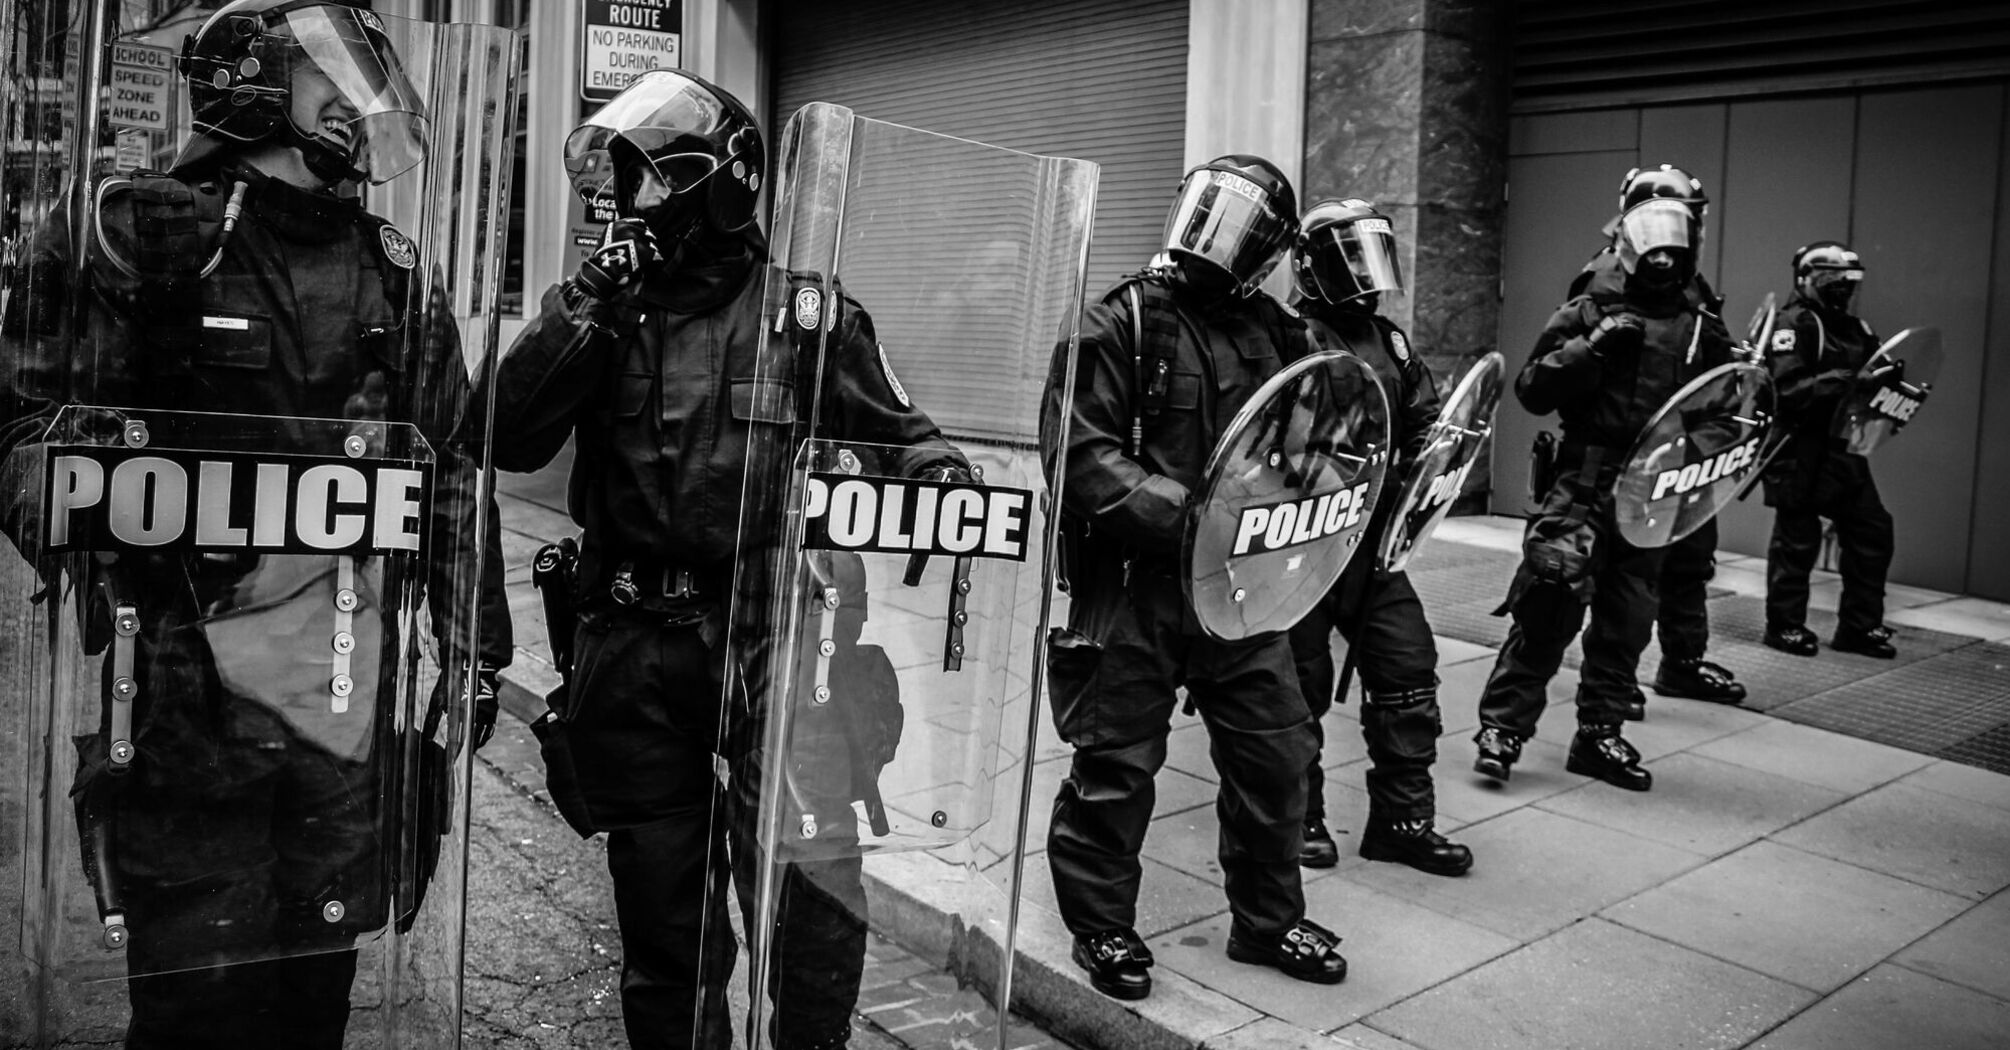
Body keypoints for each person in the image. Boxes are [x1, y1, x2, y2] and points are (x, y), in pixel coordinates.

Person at [0, 2, 511, 1046]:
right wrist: (85, 504)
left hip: (343, 700)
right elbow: (18, 420)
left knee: (312, 998)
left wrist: (476, 649)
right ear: (259, 84)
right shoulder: (130, 230)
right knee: (195, 1004)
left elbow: (451, 471)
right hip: (183, 698)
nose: (366, 100)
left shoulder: (394, 268)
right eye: (340, 74)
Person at [485, 70, 968, 1050]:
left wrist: (940, 475)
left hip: (778, 643)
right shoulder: (603, 310)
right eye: (621, 184)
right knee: (665, 927)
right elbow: (506, 435)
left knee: (808, 904)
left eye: (651, 181)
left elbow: (905, 433)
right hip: (632, 651)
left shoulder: (808, 314)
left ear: (723, 185)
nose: (630, 206)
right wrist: (584, 307)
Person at [1042, 154, 1349, 1003]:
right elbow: (1079, 454)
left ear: (1272, 249)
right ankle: (1102, 927)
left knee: (1280, 757)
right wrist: (1190, 515)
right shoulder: (1122, 321)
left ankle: (1268, 919)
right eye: (1212, 214)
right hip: (1139, 590)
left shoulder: (1287, 336)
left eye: (1244, 227)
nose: (1218, 240)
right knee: (1116, 771)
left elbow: (1318, 445)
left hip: (1245, 596)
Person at [1471, 164, 1738, 792]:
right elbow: (1533, 389)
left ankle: (1600, 734)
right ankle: (1503, 728)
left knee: (1627, 618)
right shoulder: (1592, 301)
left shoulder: (1702, 322)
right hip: (1585, 482)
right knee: (1549, 601)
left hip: (1653, 488)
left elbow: (1726, 407)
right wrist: (1589, 348)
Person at [1281, 198, 1471, 877]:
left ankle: (1402, 822)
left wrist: (1432, 462)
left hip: (1373, 543)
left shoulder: (1388, 341)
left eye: (1372, 256)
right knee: (1295, 688)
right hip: (1298, 543)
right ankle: (1297, 819)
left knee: (1407, 670)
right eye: (1350, 258)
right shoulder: (1283, 335)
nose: (1365, 274)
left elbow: (1422, 419)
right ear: (1312, 268)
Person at [1555, 250, 1748, 717]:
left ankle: (1680, 662)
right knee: (1599, 583)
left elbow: (1713, 372)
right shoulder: (1605, 275)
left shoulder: (1688, 281)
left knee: (1688, 560)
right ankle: (1608, 682)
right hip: (1610, 464)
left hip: (1677, 456)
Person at [1761, 241, 1897, 658]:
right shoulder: (1793, 324)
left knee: (1873, 531)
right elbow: (1784, 391)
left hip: (1844, 448)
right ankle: (1784, 626)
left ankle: (1859, 626)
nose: (1840, 286)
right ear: (1805, 280)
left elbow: (1874, 379)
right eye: (1829, 278)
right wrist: (1848, 379)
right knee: (1797, 541)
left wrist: (1891, 384)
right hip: (1798, 447)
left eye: (1848, 279)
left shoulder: (1859, 329)